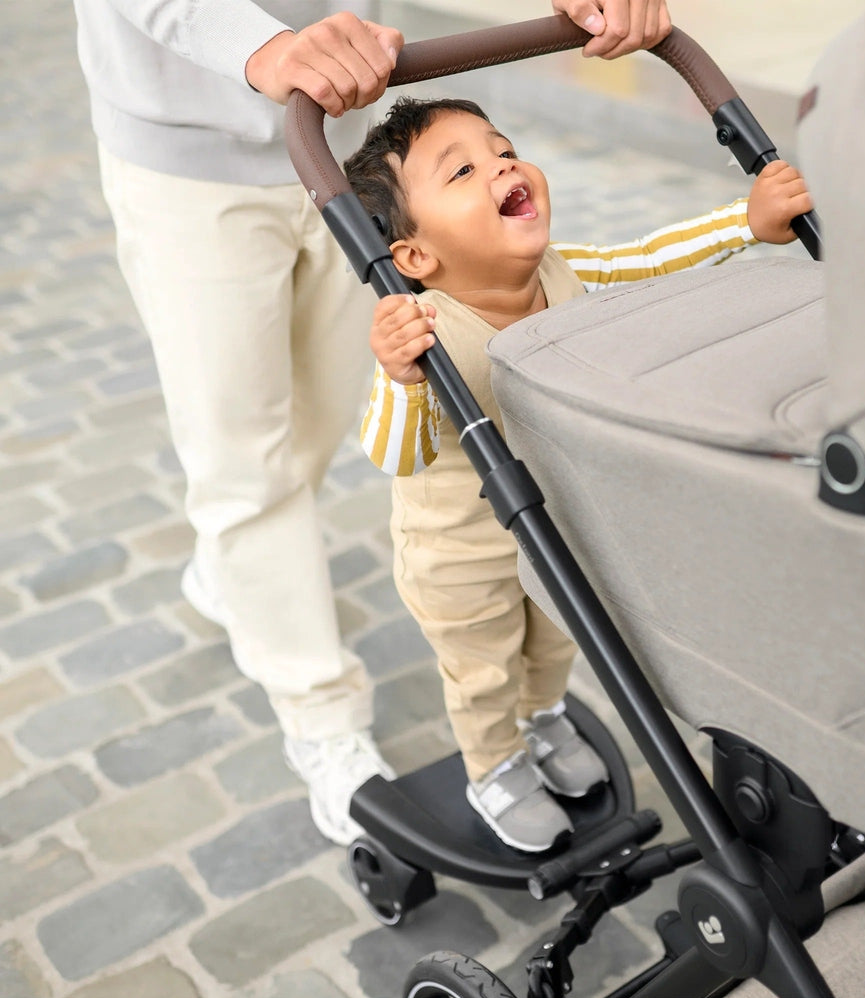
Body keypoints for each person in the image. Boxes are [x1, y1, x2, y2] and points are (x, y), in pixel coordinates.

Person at [71, 1, 675, 847]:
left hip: (344, 147)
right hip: (190, 154)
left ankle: (234, 573)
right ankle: (320, 715)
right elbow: (396, 443)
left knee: (316, 426)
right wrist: (262, 47)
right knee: (247, 464)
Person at [345, 96, 811, 851]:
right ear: (416, 258)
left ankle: (545, 716)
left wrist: (745, 223)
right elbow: (395, 454)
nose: (502, 167)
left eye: (503, 150)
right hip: (459, 556)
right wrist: (400, 377)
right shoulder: (426, 331)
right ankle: (495, 766)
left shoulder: (564, 271)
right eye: (462, 171)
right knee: (483, 669)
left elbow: (649, 257)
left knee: (556, 640)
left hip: (553, 522)